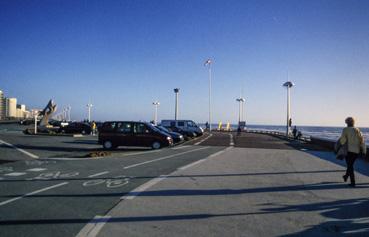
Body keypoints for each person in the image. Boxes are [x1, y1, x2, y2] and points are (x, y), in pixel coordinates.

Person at [338, 117, 366, 187]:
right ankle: (346, 176)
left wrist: (342, 143)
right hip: (356, 151)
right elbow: (362, 141)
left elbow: (343, 140)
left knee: (350, 166)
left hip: (348, 151)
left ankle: (353, 182)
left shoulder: (345, 129)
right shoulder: (357, 130)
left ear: (347, 123)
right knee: (350, 165)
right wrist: (364, 151)